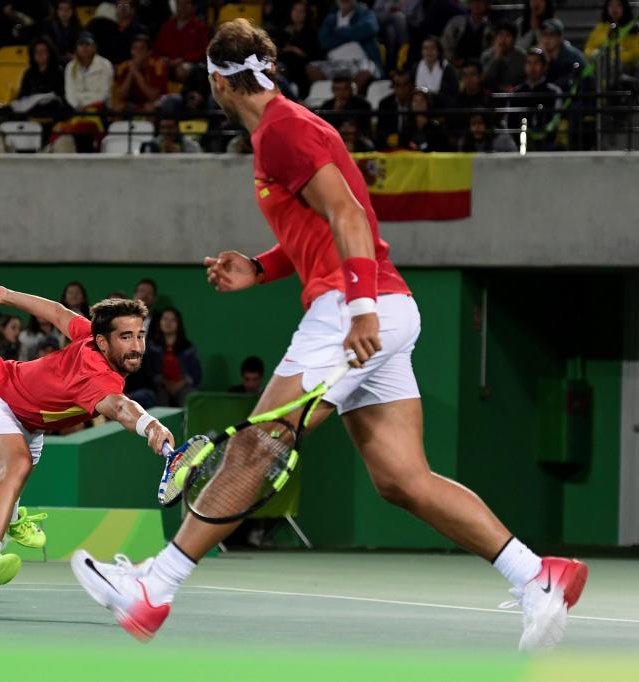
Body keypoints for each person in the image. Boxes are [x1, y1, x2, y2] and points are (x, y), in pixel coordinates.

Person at [73, 19, 588, 651]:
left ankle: (155, 587)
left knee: (256, 448)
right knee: (403, 479)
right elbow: (323, 223)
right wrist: (260, 267)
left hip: (355, 307)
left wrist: (362, 308)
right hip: (380, 303)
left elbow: (349, 214)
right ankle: (539, 574)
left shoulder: (283, 131)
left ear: (216, 81)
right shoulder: (288, 127)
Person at [0, 284, 175, 602]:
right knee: (16, 465)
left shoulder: (93, 337)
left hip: (29, 423)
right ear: (104, 341)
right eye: (126, 337)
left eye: (140, 335)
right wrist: (149, 424)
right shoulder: (97, 376)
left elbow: (58, 313)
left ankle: (12, 518)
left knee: (7, 477)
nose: (137, 346)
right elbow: (120, 407)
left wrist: (9, 296)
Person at [309, 0, 383, 94]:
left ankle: (350, 99)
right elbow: (325, 41)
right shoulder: (331, 18)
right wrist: (354, 36)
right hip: (334, 63)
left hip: (359, 62)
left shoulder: (365, 13)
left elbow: (369, 28)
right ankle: (330, 99)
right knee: (311, 68)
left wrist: (339, 32)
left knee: (367, 69)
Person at [143, 307, 201, 406]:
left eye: (172, 320)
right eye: (165, 319)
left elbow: (196, 374)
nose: (168, 323)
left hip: (183, 386)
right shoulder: (151, 346)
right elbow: (149, 372)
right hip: (160, 386)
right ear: (160, 323)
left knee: (190, 395)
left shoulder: (188, 347)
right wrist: (165, 383)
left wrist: (180, 383)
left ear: (178, 324)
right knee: (158, 396)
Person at [513, 48, 563, 150]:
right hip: (520, 143)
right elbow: (510, 120)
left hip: (547, 143)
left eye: (536, 63)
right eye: (529, 63)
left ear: (544, 67)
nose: (532, 67)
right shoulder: (516, 92)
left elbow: (556, 119)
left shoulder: (553, 91)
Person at [270, 0, 321, 97]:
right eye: (295, 10)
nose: (297, 14)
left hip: (301, 66)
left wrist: (294, 49)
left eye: (301, 11)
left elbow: (312, 54)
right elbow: (277, 49)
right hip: (284, 63)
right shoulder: (284, 29)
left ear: (307, 14)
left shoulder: (311, 32)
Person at [152, 0, 209, 82]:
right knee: (156, 66)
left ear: (193, 7)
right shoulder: (167, 26)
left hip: (189, 63)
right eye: (179, 4)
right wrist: (163, 59)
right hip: (168, 62)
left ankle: (182, 93)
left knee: (181, 70)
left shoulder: (199, 27)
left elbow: (204, 51)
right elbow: (156, 49)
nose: (182, 7)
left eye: (186, 4)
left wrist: (183, 59)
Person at [112, 34, 168, 113]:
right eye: (135, 48)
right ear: (131, 51)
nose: (138, 52)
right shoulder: (123, 67)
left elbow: (153, 97)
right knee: (119, 107)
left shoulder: (158, 67)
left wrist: (136, 73)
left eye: (142, 48)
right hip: (132, 103)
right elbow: (121, 96)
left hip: (156, 103)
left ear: (149, 52)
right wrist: (131, 72)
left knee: (149, 107)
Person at [585, 0, 639, 74]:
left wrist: (615, 56)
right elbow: (588, 49)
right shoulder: (600, 28)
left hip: (626, 71)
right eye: (611, 6)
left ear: (625, 8)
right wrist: (595, 53)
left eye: (618, 5)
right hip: (601, 68)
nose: (614, 9)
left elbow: (635, 53)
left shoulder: (632, 29)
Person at [64, 31, 114, 111]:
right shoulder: (70, 66)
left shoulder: (105, 65)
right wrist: (78, 106)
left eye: (87, 44)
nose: (84, 48)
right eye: (81, 44)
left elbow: (105, 93)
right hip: (77, 109)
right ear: (76, 48)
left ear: (94, 47)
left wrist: (87, 107)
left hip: (100, 109)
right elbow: (70, 93)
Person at [440, 0, 494, 67]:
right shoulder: (456, 23)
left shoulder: (491, 28)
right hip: (456, 66)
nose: (477, 5)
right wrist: (452, 60)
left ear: (486, 5)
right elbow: (445, 43)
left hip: (480, 68)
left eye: (480, 2)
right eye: (474, 2)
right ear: (470, 4)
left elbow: (492, 51)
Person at [539, 19, 588, 91]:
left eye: (552, 35)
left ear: (560, 38)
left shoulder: (571, 56)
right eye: (544, 34)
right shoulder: (540, 54)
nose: (547, 39)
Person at [411, 35, 459, 106]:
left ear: (438, 51)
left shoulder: (447, 69)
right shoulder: (415, 68)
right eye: (426, 48)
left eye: (432, 48)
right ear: (421, 51)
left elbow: (452, 94)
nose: (429, 51)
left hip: (441, 108)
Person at [398, 87, 450, 151]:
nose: (418, 103)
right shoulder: (406, 128)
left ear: (428, 103)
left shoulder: (437, 128)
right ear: (411, 105)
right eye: (415, 100)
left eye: (422, 100)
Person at [482, 23, 527, 92]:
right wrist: (496, 57)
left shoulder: (523, 56)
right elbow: (485, 80)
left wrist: (515, 88)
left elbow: (528, 79)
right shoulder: (487, 55)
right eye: (500, 35)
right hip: (492, 95)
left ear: (514, 40)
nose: (503, 39)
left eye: (507, 36)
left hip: (517, 94)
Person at [45, 0, 82, 64]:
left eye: (67, 9)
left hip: (74, 59)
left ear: (72, 11)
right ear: (57, 11)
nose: (64, 12)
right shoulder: (49, 27)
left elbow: (81, 43)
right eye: (61, 9)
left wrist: (76, 55)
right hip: (54, 60)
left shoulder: (78, 27)